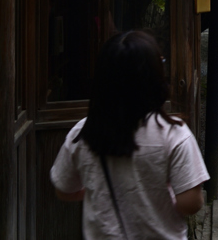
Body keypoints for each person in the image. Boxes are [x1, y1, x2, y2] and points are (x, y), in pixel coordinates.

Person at [51, 30, 209, 239]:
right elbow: (191, 203)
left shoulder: (83, 131)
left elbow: (64, 189)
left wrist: (98, 190)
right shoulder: (174, 133)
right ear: (154, 78)